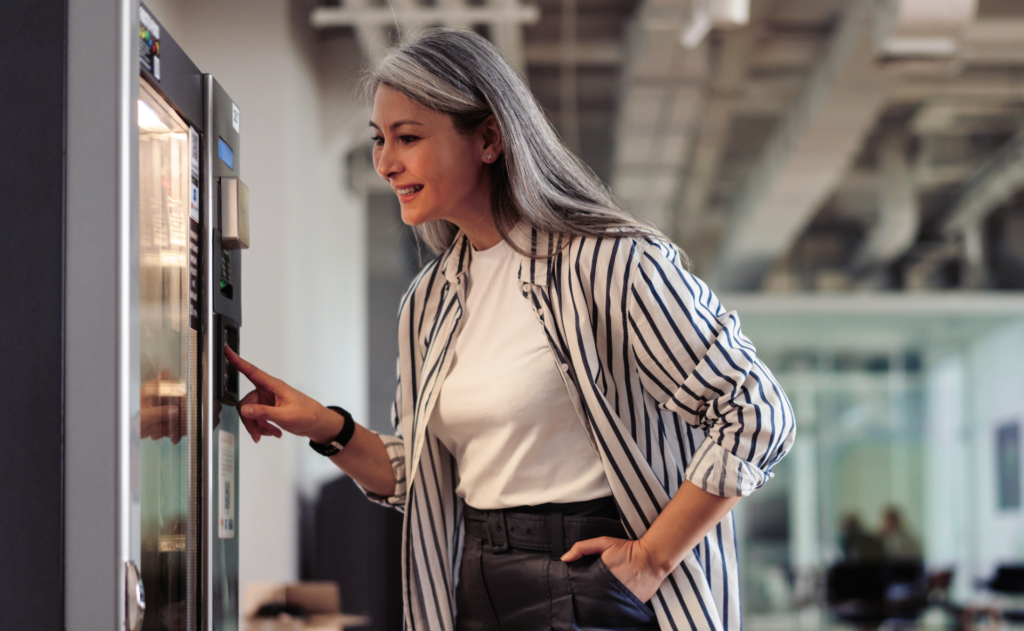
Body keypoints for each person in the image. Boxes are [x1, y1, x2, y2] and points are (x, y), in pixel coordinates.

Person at [226, 28, 795, 631]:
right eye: (379, 141)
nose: (386, 163)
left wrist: (653, 559)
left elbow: (756, 412)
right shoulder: (429, 302)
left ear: (490, 138)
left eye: (408, 138)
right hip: (473, 580)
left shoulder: (609, 262)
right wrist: (323, 425)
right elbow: (420, 479)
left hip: (587, 576)